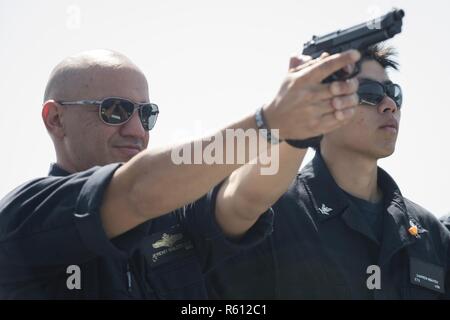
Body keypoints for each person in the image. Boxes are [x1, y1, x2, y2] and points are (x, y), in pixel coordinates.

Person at [0, 49, 360, 298]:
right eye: (115, 110)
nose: (136, 129)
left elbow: (244, 199)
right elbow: (136, 192)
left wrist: (295, 133)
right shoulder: (26, 217)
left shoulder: (172, 211)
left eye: (146, 113)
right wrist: (267, 124)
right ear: (55, 119)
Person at [207, 44, 450, 300]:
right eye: (370, 93)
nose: (390, 105)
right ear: (322, 105)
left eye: (394, 93)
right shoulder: (272, 216)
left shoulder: (429, 233)